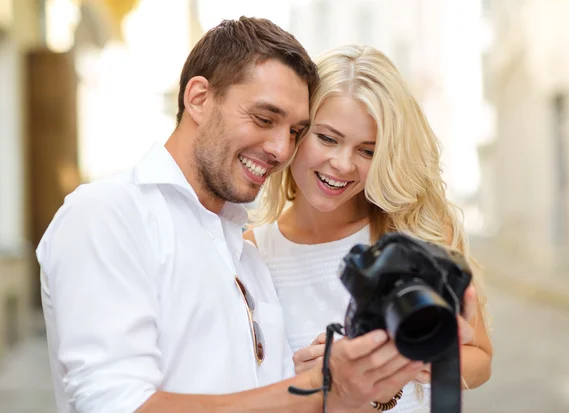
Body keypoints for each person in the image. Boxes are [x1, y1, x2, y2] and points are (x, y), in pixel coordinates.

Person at [36, 19, 429, 413]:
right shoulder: (108, 214)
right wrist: (316, 386)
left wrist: (352, 383)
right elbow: (119, 406)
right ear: (199, 98)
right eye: (264, 118)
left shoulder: (246, 254)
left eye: (295, 131)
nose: (280, 149)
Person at [245, 45, 493, 412]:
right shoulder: (253, 251)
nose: (342, 164)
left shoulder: (416, 233)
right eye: (327, 138)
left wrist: (413, 354)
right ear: (296, 132)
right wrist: (303, 381)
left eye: (367, 150)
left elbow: (480, 359)